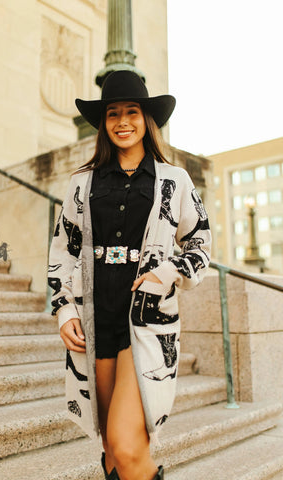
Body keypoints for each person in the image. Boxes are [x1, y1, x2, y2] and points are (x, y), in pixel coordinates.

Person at [48, 70, 211, 480]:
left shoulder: (174, 180)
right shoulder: (81, 184)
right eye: (113, 113)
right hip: (95, 321)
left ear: (147, 120)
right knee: (112, 451)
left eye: (132, 112)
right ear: (103, 123)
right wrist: (64, 310)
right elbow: (61, 253)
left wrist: (169, 272)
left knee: (125, 441)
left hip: (147, 323)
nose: (123, 121)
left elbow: (200, 245)